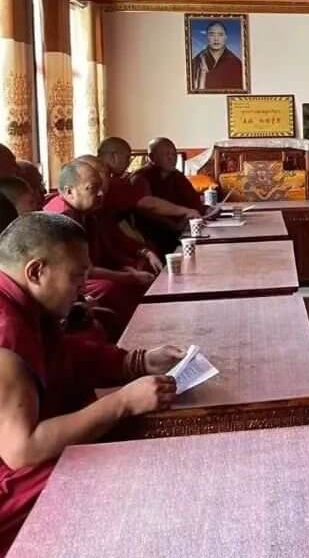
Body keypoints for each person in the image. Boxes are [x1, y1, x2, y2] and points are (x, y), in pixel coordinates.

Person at [0, 213, 181, 552]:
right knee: (116, 469)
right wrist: (122, 402)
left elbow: (62, 353)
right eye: (76, 278)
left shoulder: (23, 304)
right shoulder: (5, 329)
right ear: (36, 271)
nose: (83, 288)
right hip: (10, 473)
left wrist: (135, 361)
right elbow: (22, 451)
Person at [44, 161, 155, 338]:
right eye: (93, 188)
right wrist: (129, 276)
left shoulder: (89, 213)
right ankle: (130, 339)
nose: (102, 193)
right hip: (69, 280)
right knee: (111, 288)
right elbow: (81, 269)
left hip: (87, 273)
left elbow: (108, 248)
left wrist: (132, 265)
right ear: (68, 191)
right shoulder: (61, 220)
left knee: (134, 276)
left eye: (101, 187)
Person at [190, 21, 244, 91]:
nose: (216, 39)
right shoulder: (196, 61)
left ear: (226, 37)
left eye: (220, 35)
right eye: (212, 34)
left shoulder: (236, 63)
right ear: (207, 36)